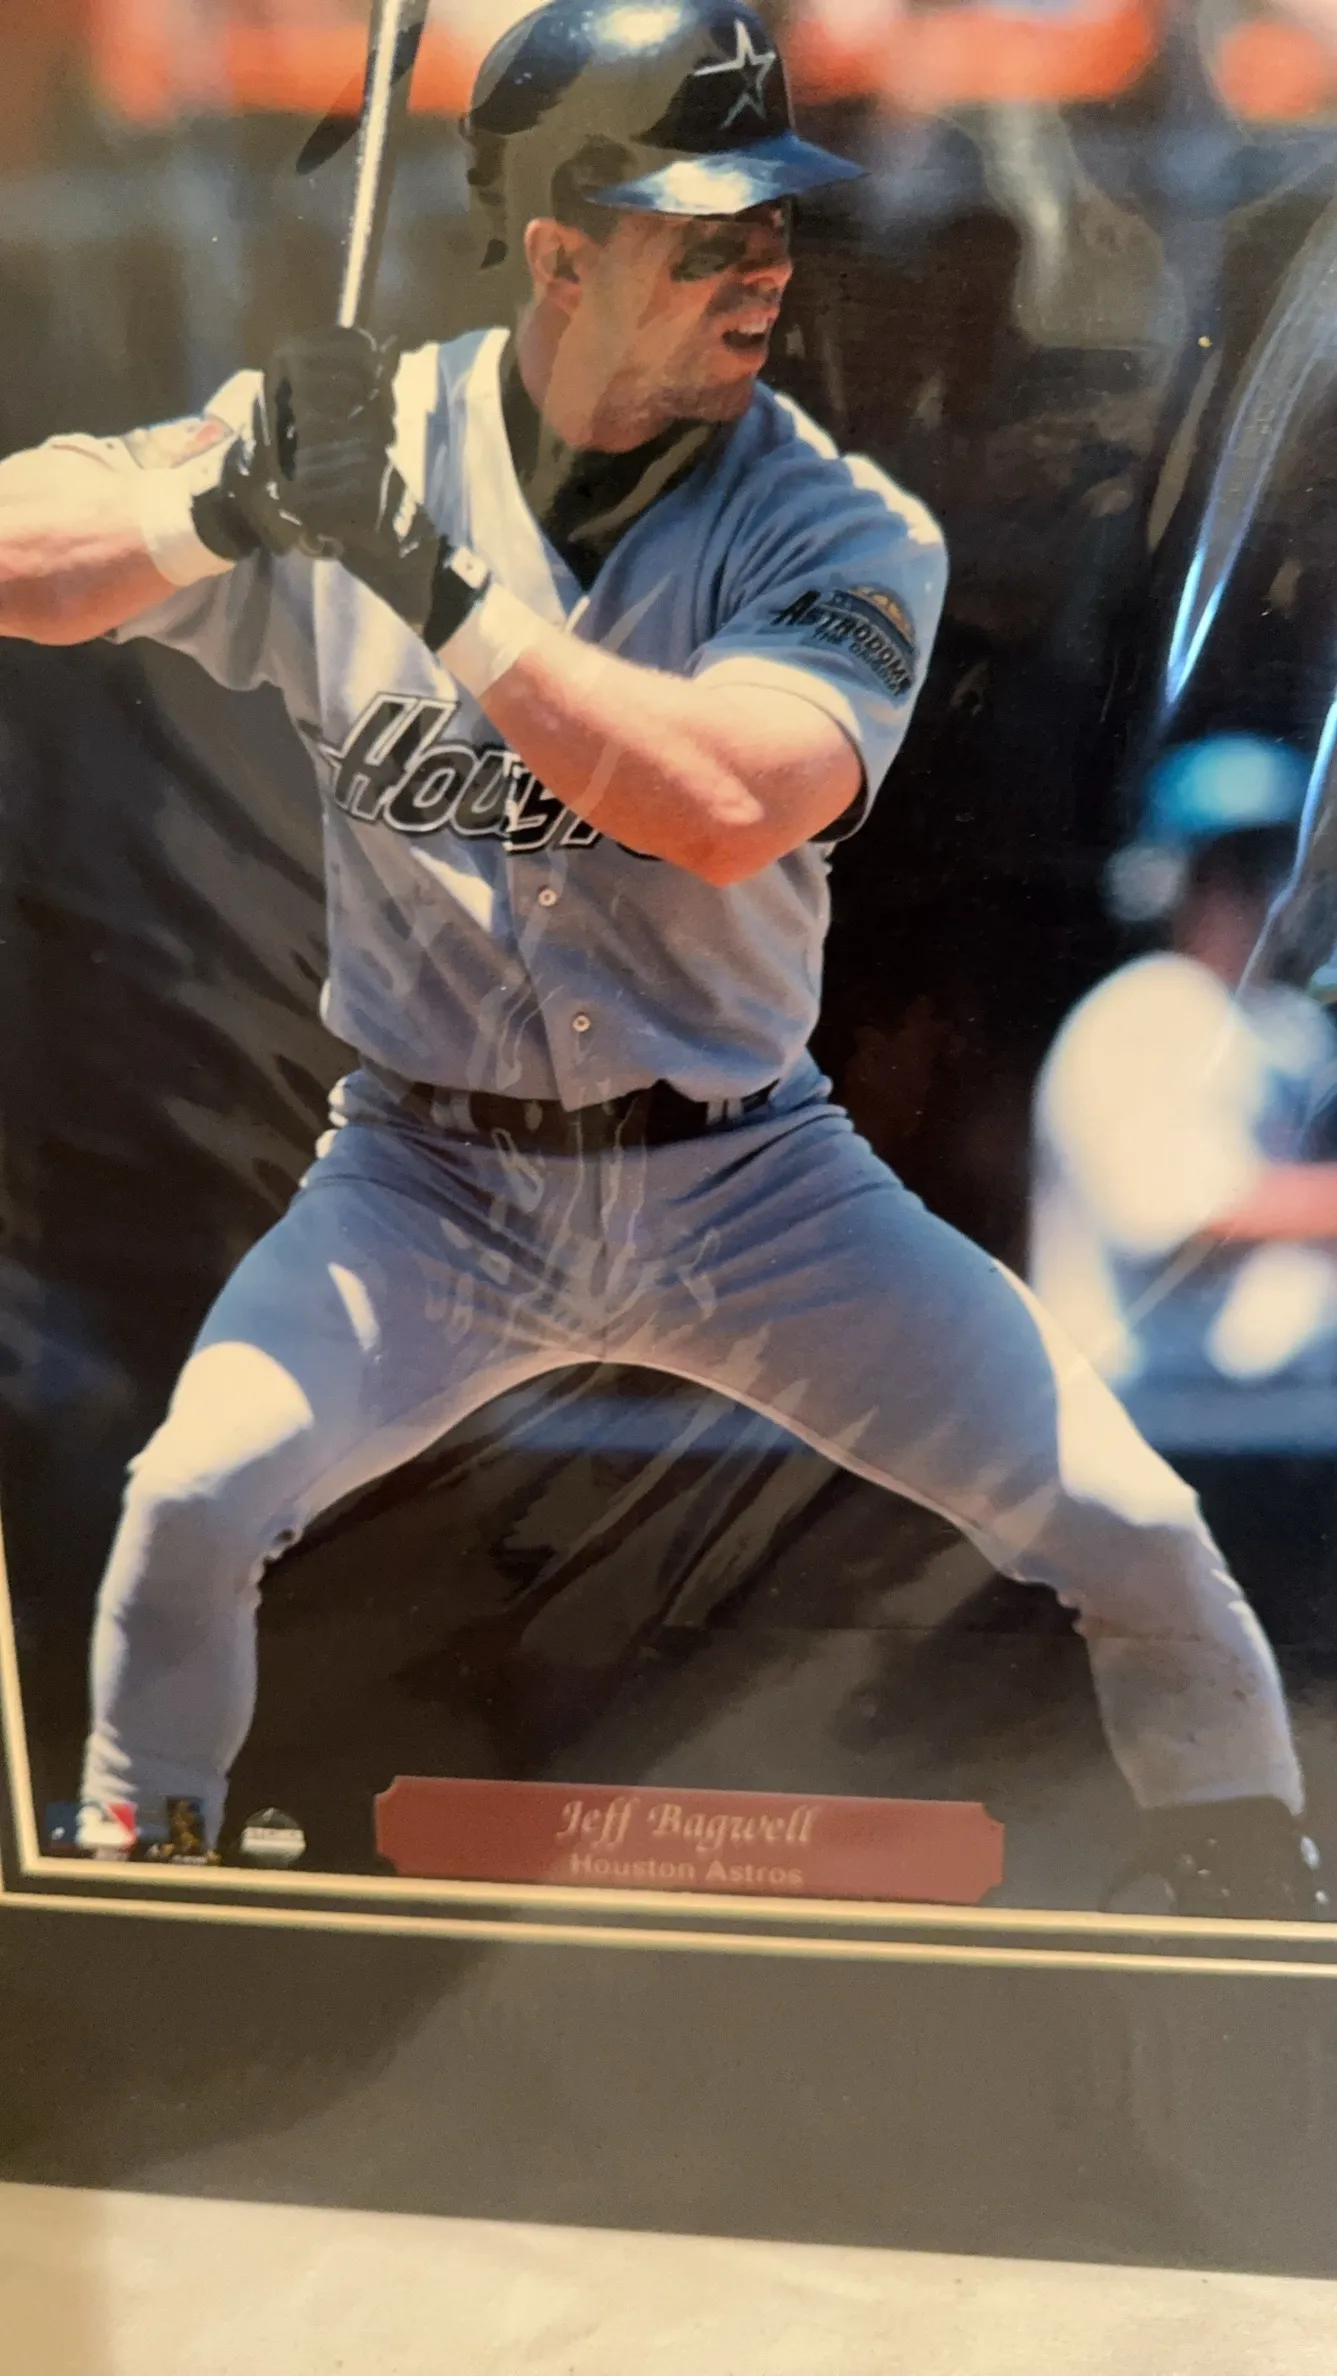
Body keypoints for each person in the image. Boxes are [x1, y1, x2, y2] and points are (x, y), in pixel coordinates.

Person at [0, 0, 1323, 1915]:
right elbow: (21, 549)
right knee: (190, 1505)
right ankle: (149, 1879)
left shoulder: (834, 522)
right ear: (558, 251)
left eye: (774, 217)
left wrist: (429, 581)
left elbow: (722, 802)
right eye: (706, 227)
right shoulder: (367, 444)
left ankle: (1248, 1904)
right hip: (423, 1184)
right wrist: (213, 502)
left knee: (1129, 1524)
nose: (765, 262)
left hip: (751, 1181)